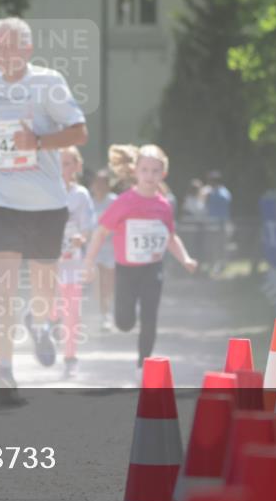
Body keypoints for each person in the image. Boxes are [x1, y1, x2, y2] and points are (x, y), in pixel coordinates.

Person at [0, 17, 88, 404]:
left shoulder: (48, 83)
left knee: (43, 287)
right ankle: (5, 370)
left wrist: (38, 140)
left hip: (46, 203)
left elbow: (79, 132)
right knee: (2, 286)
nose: (4, 54)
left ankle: (42, 322)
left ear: (28, 50)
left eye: (11, 46)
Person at [84, 145, 197, 374]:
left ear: (163, 174)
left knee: (150, 316)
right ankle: (124, 314)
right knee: (124, 323)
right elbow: (101, 232)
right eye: (145, 170)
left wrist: (185, 258)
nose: (150, 176)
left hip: (152, 268)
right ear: (135, 171)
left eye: (155, 171)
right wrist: (88, 262)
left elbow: (171, 237)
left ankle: (142, 365)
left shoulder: (164, 205)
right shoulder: (124, 202)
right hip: (126, 269)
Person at [54, 147, 95, 378]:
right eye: (59, 163)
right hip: (49, 262)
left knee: (72, 313)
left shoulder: (81, 195)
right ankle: (46, 327)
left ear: (77, 166)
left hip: (72, 262)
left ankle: (70, 358)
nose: (63, 169)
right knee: (51, 309)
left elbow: (88, 226)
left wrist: (81, 238)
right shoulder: (46, 192)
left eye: (68, 163)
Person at [89, 169, 117, 332]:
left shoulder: (114, 201)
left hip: (111, 248)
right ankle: (102, 313)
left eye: (102, 183)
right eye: (96, 183)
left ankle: (108, 313)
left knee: (108, 283)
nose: (99, 186)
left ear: (108, 185)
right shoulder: (89, 201)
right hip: (94, 249)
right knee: (98, 283)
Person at [204, 170, 232, 275]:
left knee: (220, 246)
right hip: (215, 224)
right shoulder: (219, 192)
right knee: (215, 246)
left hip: (220, 223)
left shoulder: (220, 193)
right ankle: (216, 265)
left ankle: (221, 266)